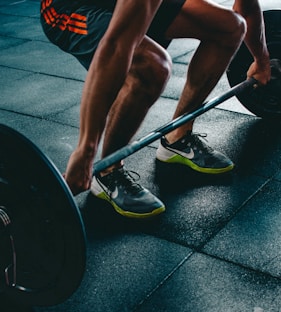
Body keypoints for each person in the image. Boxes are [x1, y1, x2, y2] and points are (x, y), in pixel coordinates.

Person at [40, 0, 271, 218]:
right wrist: (86, 150)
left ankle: (177, 137)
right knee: (152, 66)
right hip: (71, 7)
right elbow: (117, 46)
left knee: (230, 27)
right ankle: (108, 172)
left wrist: (261, 60)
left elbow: (247, 8)